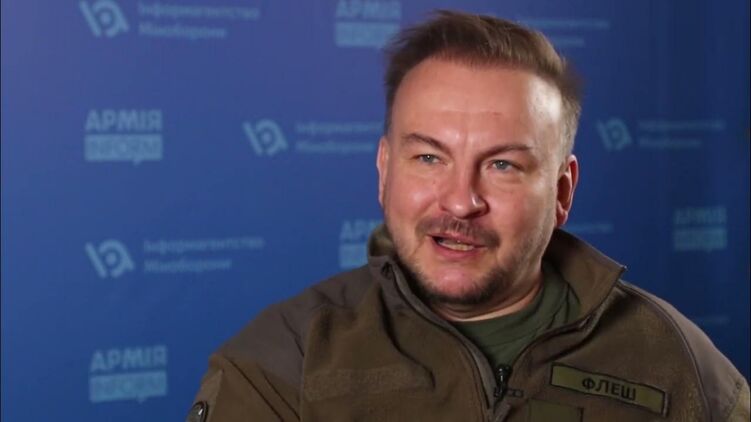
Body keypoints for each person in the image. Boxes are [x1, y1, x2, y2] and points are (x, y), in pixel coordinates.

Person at [187, 10, 749, 422]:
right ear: (385, 170)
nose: (460, 202)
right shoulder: (284, 360)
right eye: (429, 158)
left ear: (562, 191)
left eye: (502, 165)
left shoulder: (680, 365)